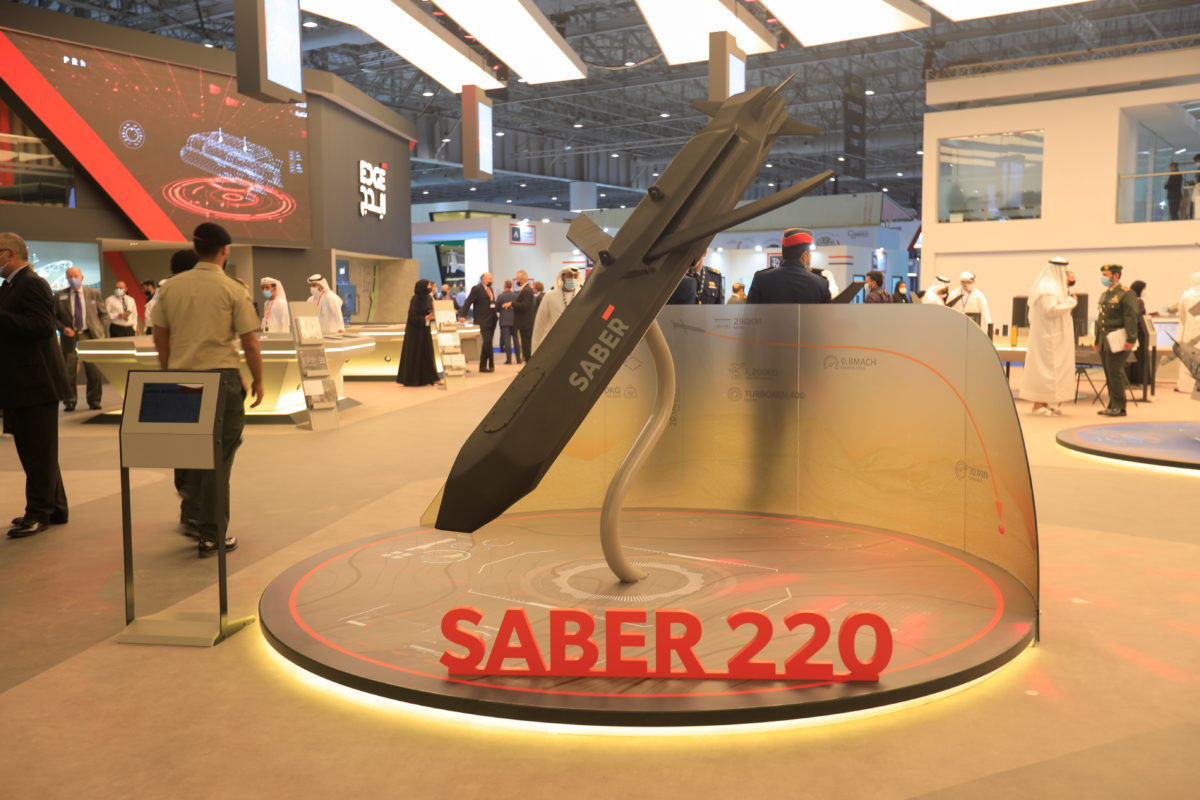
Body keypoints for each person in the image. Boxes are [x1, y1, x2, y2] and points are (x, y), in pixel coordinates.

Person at [152, 222, 264, 556]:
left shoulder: (170, 288)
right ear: (224, 250)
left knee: (189, 452)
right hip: (221, 381)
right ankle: (212, 533)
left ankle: (193, 514)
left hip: (181, 380)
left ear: (196, 248)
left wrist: (168, 371)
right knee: (220, 457)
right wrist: (258, 379)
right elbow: (250, 342)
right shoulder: (232, 289)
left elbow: (160, 335)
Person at [0, 232, 71, 538]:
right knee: (37, 451)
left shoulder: (32, 283)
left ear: (10, 254)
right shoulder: (10, 286)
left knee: (38, 453)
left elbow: (43, 326)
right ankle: (55, 507)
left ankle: (38, 513)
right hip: (22, 382)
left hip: (36, 382)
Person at [1023, 257, 1077, 416]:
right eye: (1065, 272)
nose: (1067, 275)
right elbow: (1050, 310)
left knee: (1051, 370)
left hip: (1053, 336)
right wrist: (1071, 302)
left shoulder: (1054, 288)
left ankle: (1044, 403)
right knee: (1045, 370)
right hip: (1047, 339)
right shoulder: (1047, 289)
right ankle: (1038, 405)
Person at [54, 265, 109, 411]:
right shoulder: (59, 295)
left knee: (93, 371)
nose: (73, 279)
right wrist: (63, 329)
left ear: (82, 277)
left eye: (75, 276)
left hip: (89, 335)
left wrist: (100, 329)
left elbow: (104, 314)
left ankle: (94, 400)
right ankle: (69, 401)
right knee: (69, 371)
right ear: (66, 279)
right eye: (70, 277)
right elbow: (54, 317)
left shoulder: (94, 293)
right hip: (69, 337)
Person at [1093, 264, 1139, 417]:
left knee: (1115, 372)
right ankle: (1112, 404)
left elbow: (1131, 317)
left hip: (1119, 339)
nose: (1103, 278)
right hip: (1104, 340)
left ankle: (1120, 406)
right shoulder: (1104, 295)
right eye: (1103, 275)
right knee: (1109, 373)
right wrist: (1096, 340)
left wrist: (1131, 338)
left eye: (1106, 275)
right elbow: (1100, 319)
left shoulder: (1126, 293)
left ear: (1116, 275)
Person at [747, 228, 831, 304]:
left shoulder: (761, 279)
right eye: (810, 253)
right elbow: (826, 316)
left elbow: (749, 314)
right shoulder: (821, 284)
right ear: (804, 255)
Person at [397, 279, 440, 387]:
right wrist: (425, 318)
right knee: (415, 354)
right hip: (415, 332)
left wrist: (432, 316)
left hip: (425, 330)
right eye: (428, 286)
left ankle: (430, 378)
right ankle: (413, 379)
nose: (430, 288)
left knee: (427, 353)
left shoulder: (428, 298)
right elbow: (412, 317)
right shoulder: (415, 300)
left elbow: (429, 311)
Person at [532, 267, 581, 352]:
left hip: (576, 345)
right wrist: (535, 349)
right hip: (555, 345)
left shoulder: (582, 295)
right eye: (570, 276)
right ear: (562, 277)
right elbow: (540, 324)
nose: (573, 279)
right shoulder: (550, 296)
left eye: (575, 276)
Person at [459, 272, 497, 372]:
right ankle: (491, 363)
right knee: (487, 341)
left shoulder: (490, 289)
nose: (491, 281)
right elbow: (468, 302)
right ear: (483, 279)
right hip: (482, 320)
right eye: (489, 279)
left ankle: (482, 366)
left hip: (492, 319)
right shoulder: (476, 289)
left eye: (491, 278)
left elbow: (492, 303)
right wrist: (463, 315)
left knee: (487, 342)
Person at [1171, 270, 1200, 393]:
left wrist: (1188, 322)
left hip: (1190, 332)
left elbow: (1182, 315)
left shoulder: (1186, 295)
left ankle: (1186, 386)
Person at [511, 269, 536, 361]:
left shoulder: (526, 290)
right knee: (526, 344)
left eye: (517, 278)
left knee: (526, 345)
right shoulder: (527, 289)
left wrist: (512, 304)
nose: (517, 280)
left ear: (521, 279)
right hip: (526, 322)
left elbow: (524, 305)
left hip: (525, 323)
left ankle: (528, 364)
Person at [496, 279, 520, 364]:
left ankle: (509, 360)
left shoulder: (500, 296)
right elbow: (518, 307)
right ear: (511, 286)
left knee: (507, 341)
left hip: (504, 321)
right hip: (515, 320)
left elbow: (497, 309)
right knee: (516, 340)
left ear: (504, 286)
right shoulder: (516, 296)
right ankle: (518, 359)